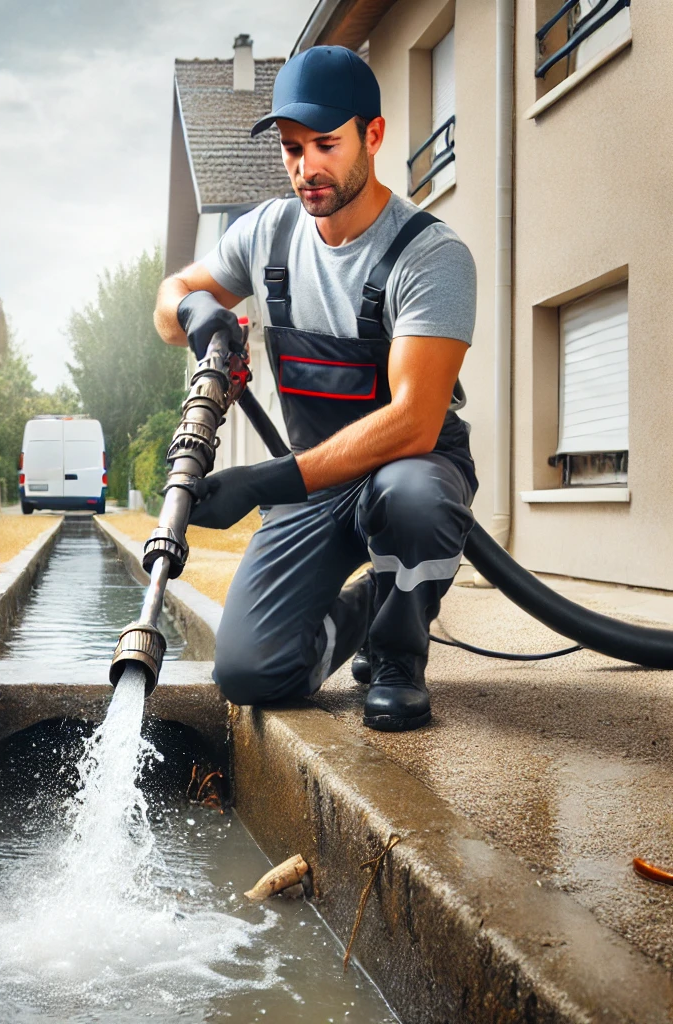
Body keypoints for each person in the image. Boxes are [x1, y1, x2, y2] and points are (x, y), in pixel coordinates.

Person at [153, 45, 477, 731]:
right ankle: (366, 612)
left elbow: (415, 423)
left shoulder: (431, 255)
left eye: (325, 144)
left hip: (409, 467)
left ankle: (398, 653)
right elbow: (168, 299)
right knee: (249, 673)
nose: (306, 168)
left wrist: (261, 483)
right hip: (317, 485)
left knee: (412, 497)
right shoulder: (268, 235)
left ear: (374, 135)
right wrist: (193, 308)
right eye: (291, 148)